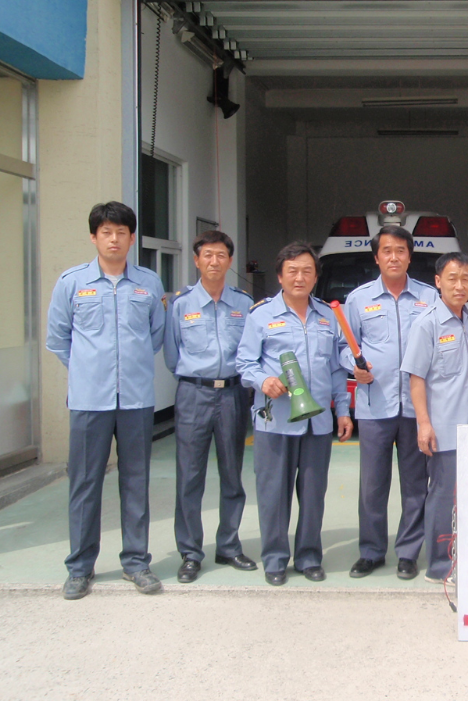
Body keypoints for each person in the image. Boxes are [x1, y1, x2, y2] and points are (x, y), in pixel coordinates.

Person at [46, 202, 166, 600]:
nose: (114, 239)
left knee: (136, 481)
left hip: (136, 400)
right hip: (89, 400)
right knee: (84, 483)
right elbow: (58, 338)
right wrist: (88, 368)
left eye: (121, 232)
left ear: (132, 238)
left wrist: (126, 367)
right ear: (94, 237)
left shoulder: (148, 283)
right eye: (106, 232)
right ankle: (80, 568)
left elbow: (155, 335)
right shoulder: (72, 282)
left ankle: (136, 562)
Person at [236, 241, 353, 586]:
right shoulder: (261, 316)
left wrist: (342, 411)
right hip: (275, 421)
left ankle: (309, 557)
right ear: (280, 276)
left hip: (318, 423)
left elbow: (336, 369)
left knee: (313, 495)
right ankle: (274, 559)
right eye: (292, 271)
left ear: (316, 277)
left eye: (306, 271)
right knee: (273, 495)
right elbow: (244, 362)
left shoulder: (328, 316)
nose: (299, 278)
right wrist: (264, 380)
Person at [339, 225, 437, 581]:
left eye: (400, 251)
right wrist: (353, 367)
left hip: (417, 409)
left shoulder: (430, 297)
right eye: (386, 251)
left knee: (415, 485)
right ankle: (371, 552)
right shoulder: (358, 299)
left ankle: (408, 553)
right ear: (376, 257)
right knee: (372, 486)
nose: (393, 257)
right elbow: (343, 345)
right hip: (374, 407)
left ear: (410, 256)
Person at [163, 230, 257, 583]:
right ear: (196, 260)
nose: (214, 261)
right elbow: (172, 354)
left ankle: (228, 546)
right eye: (207, 255)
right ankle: (190, 553)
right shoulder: (181, 304)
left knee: (232, 474)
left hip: (233, 394)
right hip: (194, 394)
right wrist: (196, 379)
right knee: (190, 476)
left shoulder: (244, 304)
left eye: (221, 255)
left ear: (230, 261)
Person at [401, 252, 468, 584]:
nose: (459, 285)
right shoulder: (427, 324)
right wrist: (424, 424)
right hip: (444, 427)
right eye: (452, 278)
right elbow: (416, 379)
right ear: (438, 282)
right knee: (442, 496)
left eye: (466, 279)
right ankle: (440, 565)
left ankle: (465, 555)